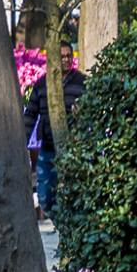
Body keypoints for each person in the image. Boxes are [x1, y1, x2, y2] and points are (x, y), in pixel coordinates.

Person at [23, 48, 85, 215]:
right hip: (48, 147)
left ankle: (71, 226)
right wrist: (23, 140)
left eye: (68, 56)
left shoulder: (82, 82)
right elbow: (30, 114)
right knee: (44, 196)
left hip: (74, 148)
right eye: (61, 56)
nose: (65, 59)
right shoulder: (42, 84)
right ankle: (59, 222)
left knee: (75, 193)